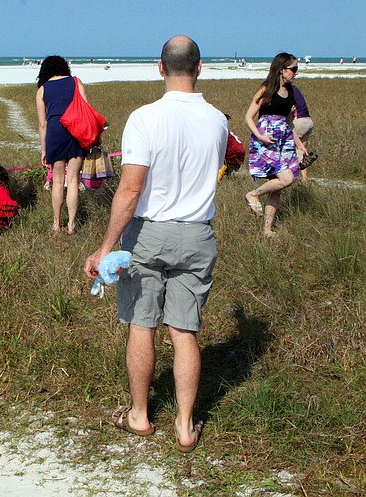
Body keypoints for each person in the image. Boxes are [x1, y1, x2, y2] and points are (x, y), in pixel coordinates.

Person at [83, 35, 228, 454]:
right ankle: (185, 426)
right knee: (184, 331)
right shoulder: (218, 119)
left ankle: (140, 415)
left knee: (141, 323)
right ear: (199, 67)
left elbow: (129, 190)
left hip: (148, 232)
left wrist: (105, 246)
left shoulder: (144, 118)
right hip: (197, 232)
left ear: (160, 68)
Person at [244, 53, 308, 238]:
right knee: (287, 179)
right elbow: (248, 116)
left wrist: (299, 145)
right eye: (293, 69)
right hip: (267, 140)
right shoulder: (266, 90)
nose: (296, 73)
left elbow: (289, 122)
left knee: (278, 187)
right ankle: (253, 194)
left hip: (284, 140)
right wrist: (259, 136)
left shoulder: (291, 92)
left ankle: (267, 229)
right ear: (282, 69)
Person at [36, 55, 89, 235]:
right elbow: (86, 109)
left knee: (57, 181)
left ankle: (56, 224)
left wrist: (44, 148)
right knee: (73, 179)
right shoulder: (75, 82)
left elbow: (42, 124)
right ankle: (72, 225)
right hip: (75, 130)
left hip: (55, 132)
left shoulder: (42, 89)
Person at [291, 85, 314, 184]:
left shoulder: (285, 90)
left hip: (298, 121)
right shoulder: (294, 88)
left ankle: (288, 178)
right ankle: (305, 180)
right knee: (301, 151)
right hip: (308, 122)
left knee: (285, 149)